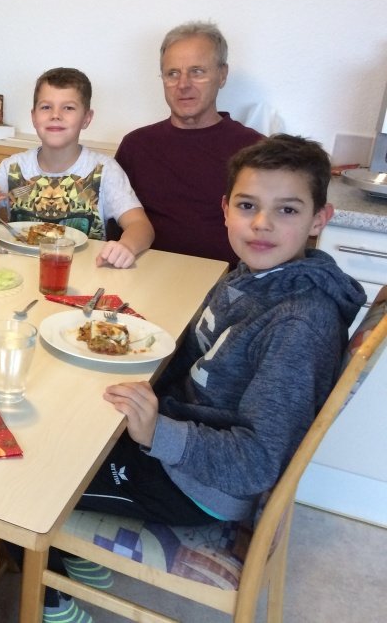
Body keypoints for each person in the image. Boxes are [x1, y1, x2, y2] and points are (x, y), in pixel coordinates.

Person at [36, 134, 366, 622]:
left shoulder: (300, 323)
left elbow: (257, 462)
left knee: (28, 476)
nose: (262, 223)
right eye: (248, 205)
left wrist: (156, 432)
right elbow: (196, 353)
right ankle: (67, 559)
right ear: (226, 209)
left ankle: (51, 601)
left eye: (287, 210)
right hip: (181, 439)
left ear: (320, 219)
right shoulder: (255, 274)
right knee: (57, 412)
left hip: (196, 485)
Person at [0, 67, 154, 269]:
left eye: (68, 108)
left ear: (86, 118)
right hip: (19, 272)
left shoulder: (105, 170)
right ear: (34, 116)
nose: (56, 115)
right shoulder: (14, 167)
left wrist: (127, 246)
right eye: (46, 107)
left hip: (86, 274)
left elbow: (141, 226)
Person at [115, 21, 264, 267]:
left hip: (226, 282)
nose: (183, 84)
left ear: (222, 75)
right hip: (143, 276)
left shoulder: (254, 149)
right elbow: (113, 225)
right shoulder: (136, 146)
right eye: (173, 73)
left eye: (197, 72)